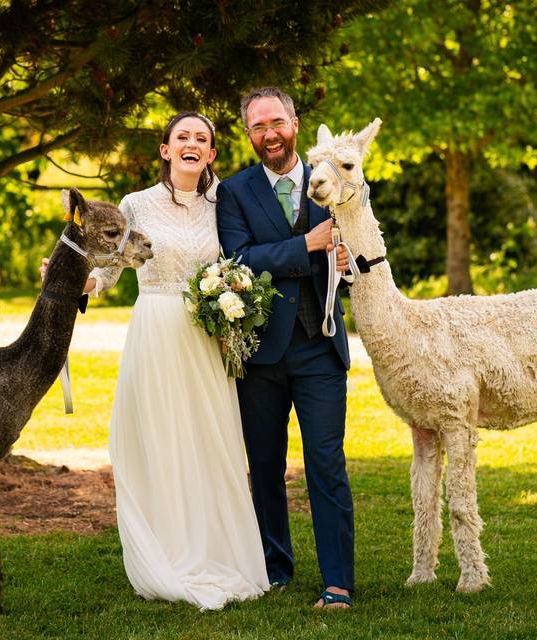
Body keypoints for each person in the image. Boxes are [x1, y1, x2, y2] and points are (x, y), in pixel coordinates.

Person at [44, 112, 269, 610]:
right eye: (182, 137)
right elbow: (110, 268)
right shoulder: (136, 204)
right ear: (166, 150)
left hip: (207, 339)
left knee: (211, 445)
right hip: (155, 332)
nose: (192, 144)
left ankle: (217, 550)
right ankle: (168, 553)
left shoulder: (223, 203)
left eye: (202, 140)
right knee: (160, 442)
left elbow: (242, 259)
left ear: (211, 154)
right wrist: (82, 281)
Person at [216, 87, 355, 609]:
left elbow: (362, 251)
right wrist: (307, 246)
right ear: (249, 135)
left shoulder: (334, 179)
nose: (269, 134)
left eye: (276, 122)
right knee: (266, 466)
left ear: (295, 122)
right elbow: (240, 258)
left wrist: (347, 263)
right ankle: (276, 567)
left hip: (320, 346)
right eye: (258, 127)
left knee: (326, 462)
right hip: (261, 354)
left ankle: (338, 581)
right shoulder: (235, 192)